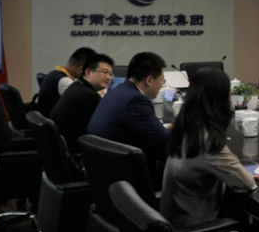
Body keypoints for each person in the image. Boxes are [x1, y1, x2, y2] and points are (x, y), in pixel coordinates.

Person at [160, 68, 256, 228]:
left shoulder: (185, 126)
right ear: (219, 100)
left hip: (175, 222)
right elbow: (247, 183)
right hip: (196, 230)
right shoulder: (206, 140)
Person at [86, 51, 171, 181]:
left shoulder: (117, 91)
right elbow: (164, 143)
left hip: (104, 171)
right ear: (149, 80)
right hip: (127, 177)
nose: (161, 85)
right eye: (161, 80)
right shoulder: (135, 101)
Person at [49, 53, 115, 154]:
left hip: (59, 149)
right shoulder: (89, 96)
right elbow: (105, 128)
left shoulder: (77, 86)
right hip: (75, 152)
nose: (108, 77)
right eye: (104, 72)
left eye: (111, 74)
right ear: (88, 72)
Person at [38, 47, 96, 117]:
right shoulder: (64, 81)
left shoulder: (54, 73)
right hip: (56, 122)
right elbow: (88, 102)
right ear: (80, 69)